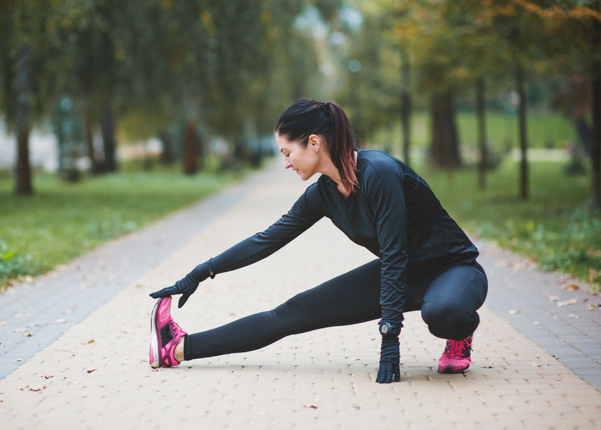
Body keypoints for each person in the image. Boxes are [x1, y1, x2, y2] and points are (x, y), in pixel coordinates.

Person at [149, 99, 488, 383]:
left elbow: (395, 253)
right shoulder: (322, 194)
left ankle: (460, 335)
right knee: (291, 314)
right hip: (402, 273)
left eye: (287, 152)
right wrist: (202, 271)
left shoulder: (378, 173)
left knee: (442, 312)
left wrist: (389, 341)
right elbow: (265, 240)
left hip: (453, 270)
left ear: (314, 142)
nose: (285, 164)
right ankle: (177, 346)